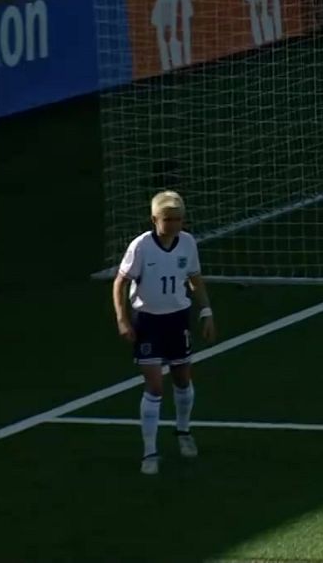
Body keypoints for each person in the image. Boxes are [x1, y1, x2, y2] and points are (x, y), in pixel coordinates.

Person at [112, 191, 215, 476]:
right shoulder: (141, 246)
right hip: (148, 323)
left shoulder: (188, 243)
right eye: (168, 219)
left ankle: (183, 432)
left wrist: (206, 312)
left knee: (182, 379)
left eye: (178, 219)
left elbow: (195, 279)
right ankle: (150, 451)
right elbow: (120, 282)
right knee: (155, 386)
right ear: (154, 219)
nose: (174, 225)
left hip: (177, 320)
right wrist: (122, 319)